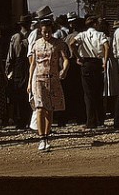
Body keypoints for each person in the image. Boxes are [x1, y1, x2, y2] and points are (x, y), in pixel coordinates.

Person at [27, 19, 69, 151]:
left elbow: (66, 59)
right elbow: (33, 64)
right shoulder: (36, 44)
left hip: (53, 79)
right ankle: (42, 137)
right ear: (41, 31)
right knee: (39, 107)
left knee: (49, 109)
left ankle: (47, 135)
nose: (47, 34)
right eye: (44, 32)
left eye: (49, 32)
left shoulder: (58, 43)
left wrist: (64, 70)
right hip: (38, 79)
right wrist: (29, 82)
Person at [69, 15, 109, 129]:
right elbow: (107, 46)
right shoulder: (100, 35)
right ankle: (100, 119)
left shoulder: (82, 35)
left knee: (88, 93)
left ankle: (90, 121)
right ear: (95, 24)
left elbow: (72, 43)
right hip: (97, 62)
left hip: (86, 63)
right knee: (98, 92)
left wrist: (78, 57)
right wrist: (105, 61)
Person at [5, 14, 33, 129]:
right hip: (23, 65)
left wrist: (8, 70)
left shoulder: (16, 37)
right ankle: (25, 119)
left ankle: (24, 119)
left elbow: (10, 56)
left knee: (23, 93)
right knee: (23, 94)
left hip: (21, 66)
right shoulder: (28, 36)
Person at [62, 12, 87, 125]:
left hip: (68, 63)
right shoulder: (78, 36)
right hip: (76, 63)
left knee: (69, 92)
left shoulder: (66, 38)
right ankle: (79, 116)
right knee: (78, 91)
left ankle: (68, 116)